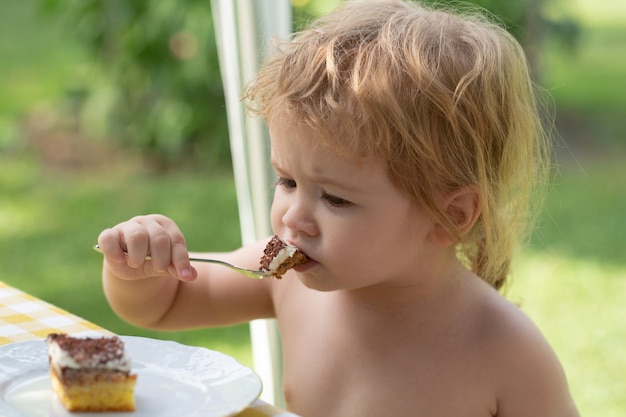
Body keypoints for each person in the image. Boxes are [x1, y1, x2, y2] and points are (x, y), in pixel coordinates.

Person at [97, 0, 579, 415]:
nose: (292, 218)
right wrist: (136, 270)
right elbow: (167, 306)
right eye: (286, 180)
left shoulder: (506, 353)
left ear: (449, 216)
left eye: (335, 198)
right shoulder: (286, 282)